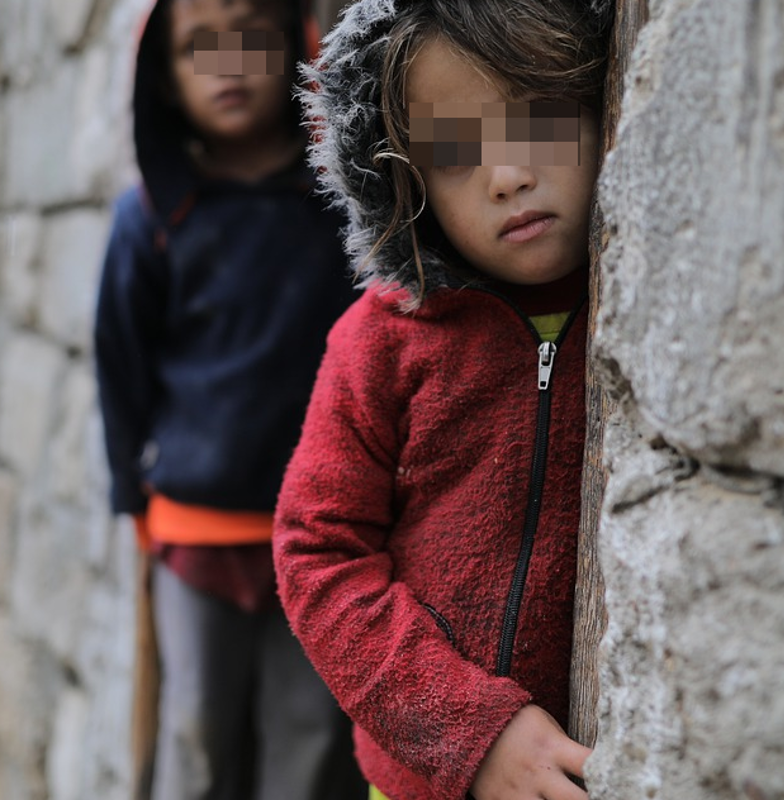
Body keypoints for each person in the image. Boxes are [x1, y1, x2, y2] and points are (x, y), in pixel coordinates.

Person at [271, 1, 612, 798]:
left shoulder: (638, 311)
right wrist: (468, 730)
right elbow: (317, 554)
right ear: (406, 184)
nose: (508, 176)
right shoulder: (382, 343)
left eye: (540, 120)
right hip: (424, 779)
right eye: (456, 153)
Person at [93, 0, 364, 798]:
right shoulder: (150, 220)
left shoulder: (342, 209)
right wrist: (134, 504)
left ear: (293, 47)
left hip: (321, 534)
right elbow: (121, 370)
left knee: (313, 739)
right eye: (198, 47)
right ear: (165, 81)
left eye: (250, 36)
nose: (228, 62)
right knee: (197, 731)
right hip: (194, 529)